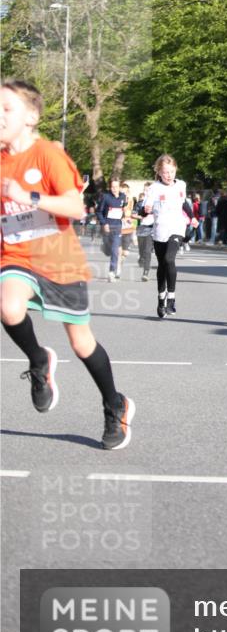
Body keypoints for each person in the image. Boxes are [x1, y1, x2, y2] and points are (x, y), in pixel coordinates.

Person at [0, 79, 134, 450]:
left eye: (6, 109)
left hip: (59, 261)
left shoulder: (47, 155)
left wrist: (26, 195)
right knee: (8, 308)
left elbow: (75, 207)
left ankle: (115, 404)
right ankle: (39, 360)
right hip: (16, 256)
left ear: (31, 116)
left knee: (80, 343)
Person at [143, 154, 197, 317]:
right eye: (165, 172)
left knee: (169, 259)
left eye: (172, 171)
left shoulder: (181, 185)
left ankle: (171, 298)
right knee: (162, 265)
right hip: (160, 230)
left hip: (177, 228)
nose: (169, 175)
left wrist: (193, 217)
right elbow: (144, 208)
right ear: (159, 172)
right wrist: (145, 209)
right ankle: (161, 299)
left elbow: (185, 204)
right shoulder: (154, 188)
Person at [96, 177, 126, 281]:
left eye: (116, 187)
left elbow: (123, 209)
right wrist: (104, 223)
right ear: (110, 187)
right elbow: (99, 211)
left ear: (120, 187)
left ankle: (111, 271)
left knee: (115, 250)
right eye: (112, 187)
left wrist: (125, 217)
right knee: (108, 251)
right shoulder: (105, 197)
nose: (114, 189)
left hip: (117, 227)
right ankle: (104, 247)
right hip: (107, 227)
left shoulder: (123, 197)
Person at [132, 181, 154, 281]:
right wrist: (140, 216)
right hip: (141, 229)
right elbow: (133, 214)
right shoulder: (140, 203)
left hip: (152, 229)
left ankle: (146, 272)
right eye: (145, 190)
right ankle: (141, 258)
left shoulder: (156, 203)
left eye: (149, 190)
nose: (147, 192)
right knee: (142, 251)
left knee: (148, 251)